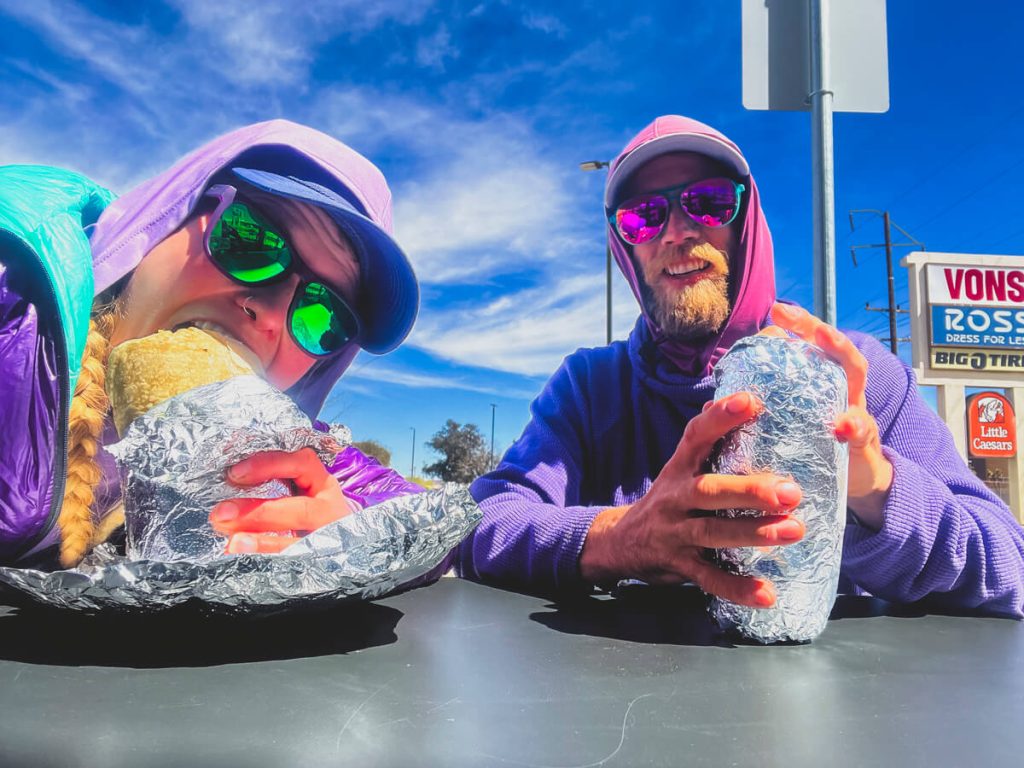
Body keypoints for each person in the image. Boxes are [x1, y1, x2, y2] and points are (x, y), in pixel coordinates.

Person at [461, 114, 1024, 618]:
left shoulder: (856, 377)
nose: (677, 232)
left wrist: (876, 488)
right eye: (643, 216)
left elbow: (1009, 564)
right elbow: (482, 522)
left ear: (746, 222)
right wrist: (617, 538)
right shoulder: (591, 389)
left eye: (707, 201)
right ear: (624, 249)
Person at [0, 119, 422, 570]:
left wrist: (349, 527)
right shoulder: (14, 306)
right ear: (166, 216)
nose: (272, 317)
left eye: (325, 315)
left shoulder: (262, 443)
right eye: (248, 240)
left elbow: (416, 511)